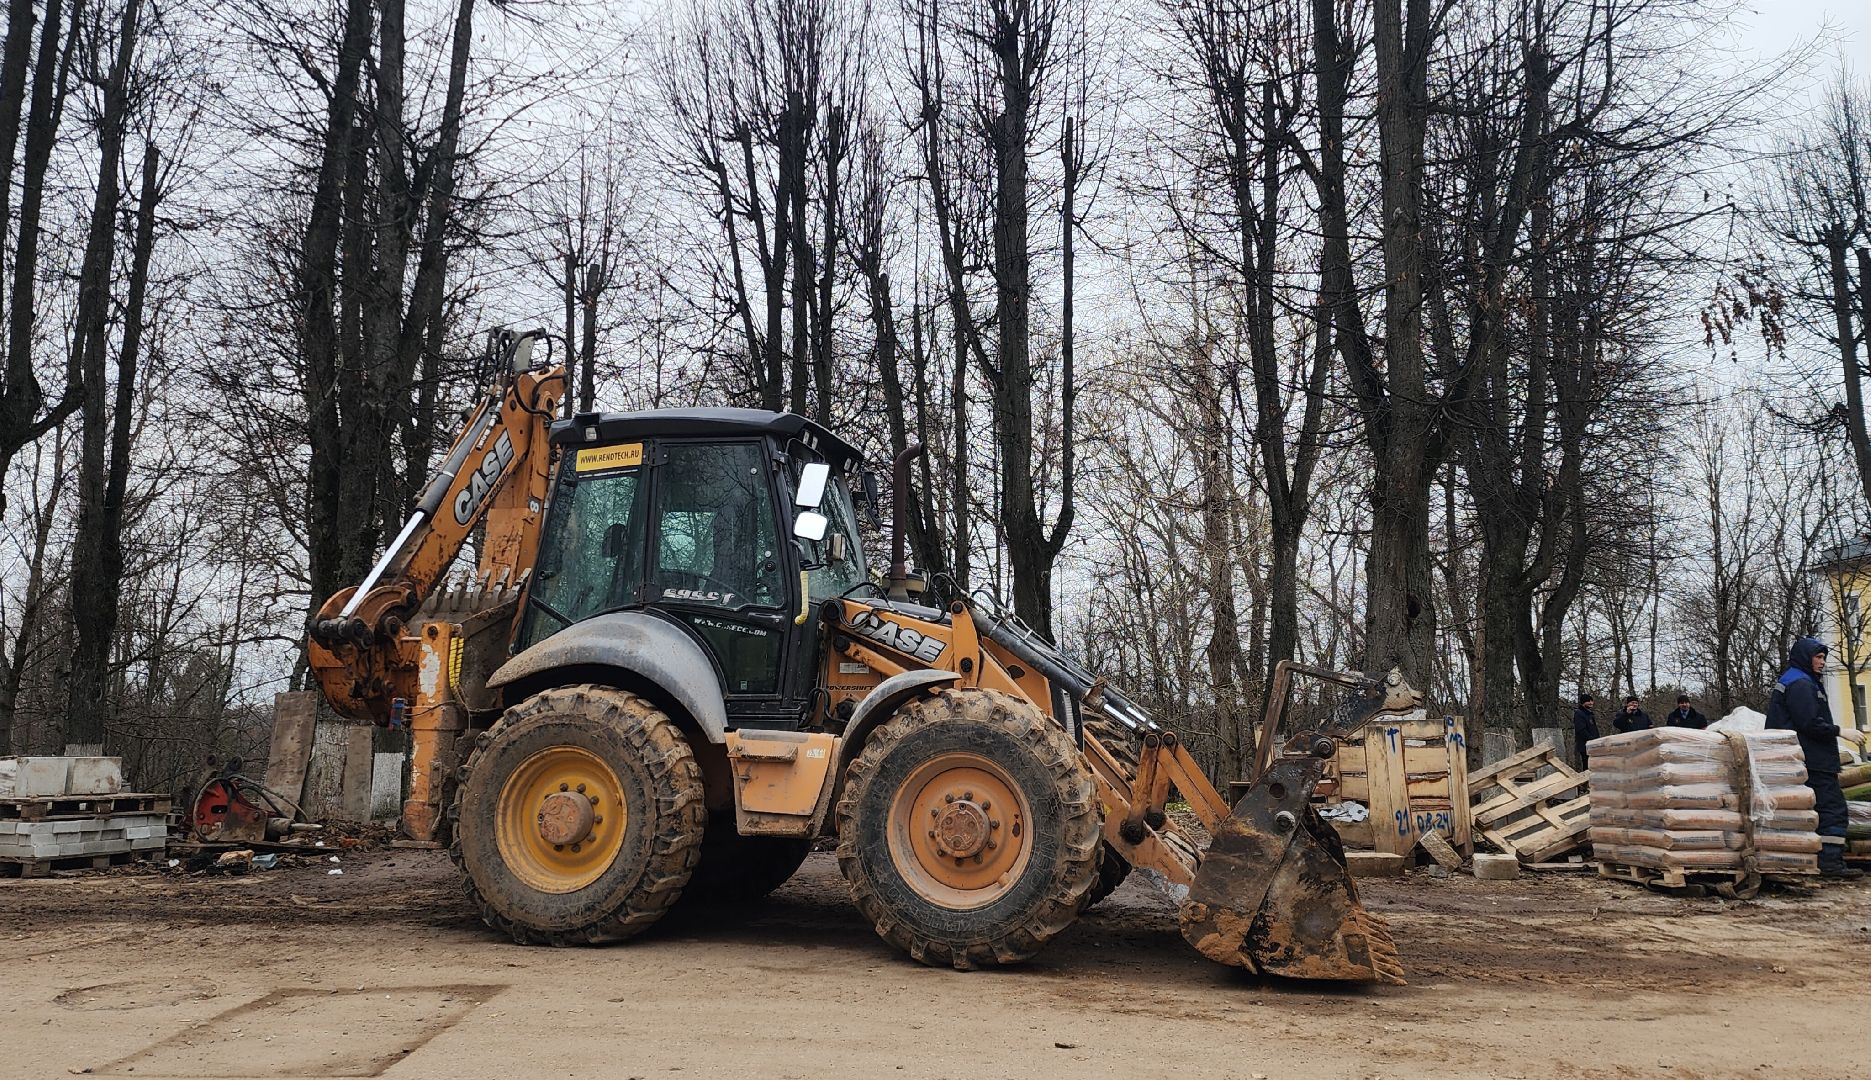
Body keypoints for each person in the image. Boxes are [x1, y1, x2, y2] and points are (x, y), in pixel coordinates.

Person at [1766, 637, 1861, 879]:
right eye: (1818, 657)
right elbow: (1809, 723)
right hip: (1813, 760)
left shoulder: (1795, 680)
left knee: (1811, 811)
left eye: (1823, 657)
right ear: (1805, 658)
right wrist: (1840, 730)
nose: (1822, 662)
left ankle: (1812, 858)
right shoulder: (1801, 684)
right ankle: (1830, 862)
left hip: (1802, 759)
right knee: (1832, 809)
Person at [1572, 694, 1600, 771]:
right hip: (1585, 745)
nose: (1591, 703)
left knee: (1593, 765)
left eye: (1591, 701)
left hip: (1593, 744)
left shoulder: (1590, 714)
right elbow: (1581, 730)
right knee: (1587, 765)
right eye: (1588, 701)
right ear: (1583, 703)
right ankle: (1586, 781)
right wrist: (1591, 740)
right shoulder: (1579, 713)